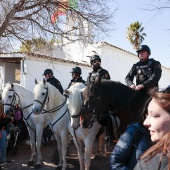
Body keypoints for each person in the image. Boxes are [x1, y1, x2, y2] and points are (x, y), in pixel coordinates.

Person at [134, 86, 170, 170]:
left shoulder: (148, 163)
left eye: (154, 115)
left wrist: (143, 85)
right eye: (147, 115)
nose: (145, 123)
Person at [87, 54, 114, 145]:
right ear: (92, 63)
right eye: (95, 61)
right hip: (92, 98)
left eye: (98, 61)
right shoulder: (90, 74)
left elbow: (108, 85)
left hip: (102, 97)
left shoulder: (104, 72)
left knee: (106, 115)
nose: (97, 62)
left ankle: (111, 136)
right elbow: (88, 86)